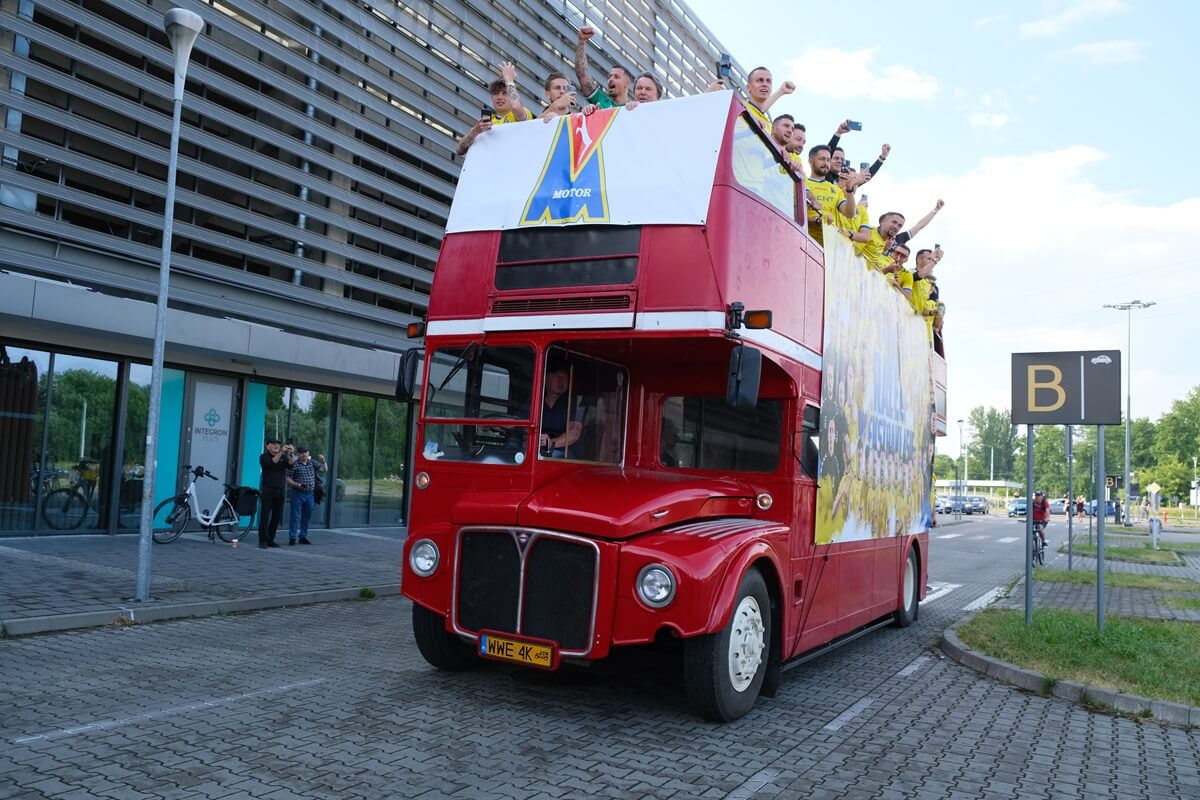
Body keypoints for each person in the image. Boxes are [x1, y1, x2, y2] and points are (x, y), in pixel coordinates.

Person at [455, 61, 533, 156]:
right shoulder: (485, 122)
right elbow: (459, 150)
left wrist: (509, 80)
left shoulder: (520, 114)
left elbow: (516, 107)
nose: (499, 97)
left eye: (504, 93)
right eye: (495, 93)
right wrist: (475, 131)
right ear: (491, 97)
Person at [847, 201, 945, 272]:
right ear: (882, 221)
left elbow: (919, 226)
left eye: (900, 225)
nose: (896, 227)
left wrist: (935, 210)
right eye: (894, 222)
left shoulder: (898, 239)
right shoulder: (868, 233)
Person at [806, 145, 860, 245]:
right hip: (805, 240)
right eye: (822, 159)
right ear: (811, 161)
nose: (826, 163)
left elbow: (849, 213)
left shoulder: (835, 190)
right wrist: (815, 220)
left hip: (828, 248)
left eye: (828, 160)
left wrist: (849, 189)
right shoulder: (802, 181)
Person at [574, 28, 633, 108]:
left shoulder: (633, 109)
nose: (611, 79)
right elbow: (582, 75)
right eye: (609, 76)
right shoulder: (601, 100)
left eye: (616, 76)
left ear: (627, 83)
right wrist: (581, 41)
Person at [539, 359, 582, 458]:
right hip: (538, 450)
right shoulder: (537, 400)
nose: (561, 381)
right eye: (558, 377)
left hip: (565, 454)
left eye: (565, 378)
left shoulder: (573, 400)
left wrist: (551, 443)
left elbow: (574, 433)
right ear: (547, 378)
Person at [286, 446, 326, 545]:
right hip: (298, 493)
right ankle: (292, 537)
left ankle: (303, 536)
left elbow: (323, 469)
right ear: (298, 454)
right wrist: (296, 485)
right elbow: (287, 478)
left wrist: (323, 461)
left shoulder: (311, 462)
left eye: (306, 452)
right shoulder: (294, 464)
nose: (304, 454)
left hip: (310, 494)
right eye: (302, 452)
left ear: (308, 453)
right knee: (295, 516)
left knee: (306, 516)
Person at [258, 437, 291, 548]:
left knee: (276, 517)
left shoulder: (283, 457)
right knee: (265, 516)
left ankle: (270, 539)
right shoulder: (264, 457)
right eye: (273, 444)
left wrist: (292, 452)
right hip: (268, 490)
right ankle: (262, 540)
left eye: (278, 444)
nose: (276, 446)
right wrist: (282, 452)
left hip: (280, 490)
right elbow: (272, 462)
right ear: (267, 446)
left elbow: (291, 464)